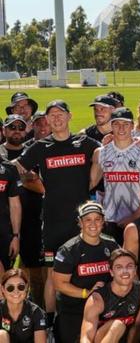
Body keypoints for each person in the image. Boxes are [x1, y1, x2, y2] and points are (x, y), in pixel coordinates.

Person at [14, 100, 100, 328]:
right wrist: (35, 184)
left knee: (84, 270)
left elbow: (103, 154)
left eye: (60, 114)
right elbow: (18, 167)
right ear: (47, 120)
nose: (56, 118)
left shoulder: (85, 144)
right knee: (53, 274)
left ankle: (86, 318)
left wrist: (90, 183)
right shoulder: (41, 147)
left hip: (82, 222)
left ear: (70, 116)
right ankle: (50, 324)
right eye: (51, 115)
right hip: (53, 222)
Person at [52, 202, 120, 343]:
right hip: (73, 310)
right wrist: (87, 292)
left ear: (103, 221)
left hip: (104, 309)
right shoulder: (68, 250)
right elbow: (59, 284)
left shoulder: (111, 245)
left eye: (97, 219)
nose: (93, 223)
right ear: (80, 223)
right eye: (88, 219)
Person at [91, 107, 140, 244]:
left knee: (139, 262)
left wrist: (133, 217)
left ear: (132, 126)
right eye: (117, 124)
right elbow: (90, 184)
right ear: (111, 125)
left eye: (126, 124)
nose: (121, 128)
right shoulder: (101, 152)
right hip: (110, 220)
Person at [14, 111, 49, 309]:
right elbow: (23, 176)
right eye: (38, 124)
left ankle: (45, 309)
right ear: (32, 126)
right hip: (29, 216)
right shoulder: (27, 150)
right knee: (30, 267)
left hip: (51, 215)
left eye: (46, 123)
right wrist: (34, 181)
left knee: (49, 269)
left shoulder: (57, 147)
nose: (43, 127)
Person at [80, 248, 140, 343]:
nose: (125, 271)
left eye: (129, 266)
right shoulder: (97, 299)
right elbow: (86, 337)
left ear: (135, 270)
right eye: (119, 267)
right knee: (118, 325)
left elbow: (137, 326)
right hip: (101, 339)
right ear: (111, 272)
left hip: (125, 340)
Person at [0, 268, 47, 343]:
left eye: (21, 287)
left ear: (27, 287)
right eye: (10, 288)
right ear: (3, 289)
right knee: (2, 334)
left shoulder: (36, 312)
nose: (16, 291)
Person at [0, 152, 20, 276]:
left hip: (4, 233)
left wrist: (16, 236)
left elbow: (15, 205)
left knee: (5, 277)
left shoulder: (9, 168)